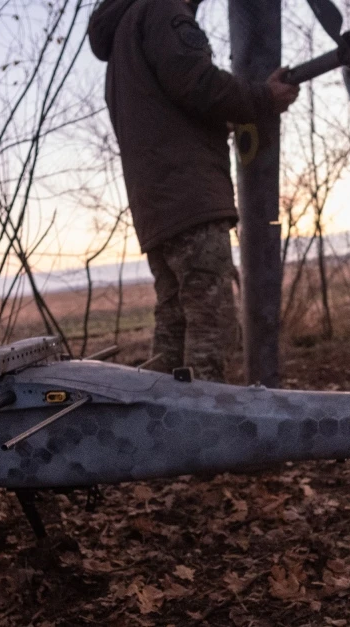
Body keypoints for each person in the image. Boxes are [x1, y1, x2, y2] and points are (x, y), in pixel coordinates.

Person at [88, 0, 299, 382]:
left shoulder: (127, 30)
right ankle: (204, 435)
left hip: (158, 208)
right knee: (210, 332)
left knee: (174, 333)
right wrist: (262, 98)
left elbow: (174, 108)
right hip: (191, 201)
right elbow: (197, 83)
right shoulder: (163, 9)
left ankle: (155, 430)